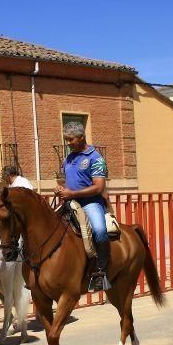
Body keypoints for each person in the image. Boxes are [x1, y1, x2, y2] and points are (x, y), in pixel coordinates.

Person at [54, 121, 110, 292]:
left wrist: (72, 194)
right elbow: (66, 181)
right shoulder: (68, 159)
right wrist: (60, 189)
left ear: (81, 137)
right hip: (70, 203)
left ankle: (101, 272)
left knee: (100, 231)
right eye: (66, 139)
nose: (68, 143)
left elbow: (99, 187)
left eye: (70, 139)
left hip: (91, 203)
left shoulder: (96, 158)